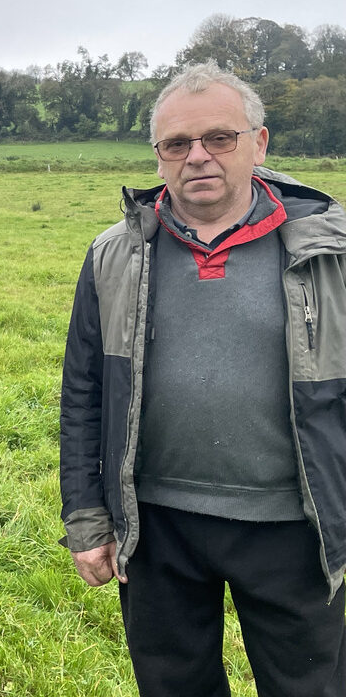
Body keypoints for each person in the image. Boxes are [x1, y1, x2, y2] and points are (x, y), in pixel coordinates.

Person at [59, 60, 346, 696]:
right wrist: (86, 517)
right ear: (158, 155)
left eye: (220, 138)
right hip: (156, 524)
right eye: (177, 143)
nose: (198, 156)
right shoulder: (114, 254)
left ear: (259, 143)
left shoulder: (330, 254)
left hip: (291, 525)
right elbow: (83, 392)